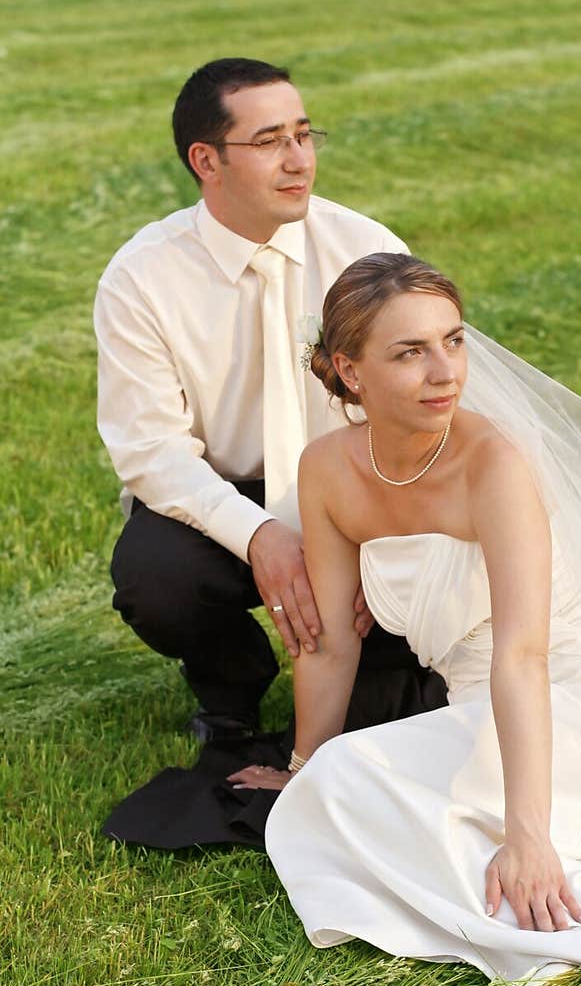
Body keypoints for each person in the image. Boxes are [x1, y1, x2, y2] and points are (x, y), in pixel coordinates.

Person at [224, 252, 581, 986]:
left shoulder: (493, 463)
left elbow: (523, 655)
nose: (445, 371)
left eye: (454, 341)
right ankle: (470, 858)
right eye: (411, 352)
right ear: (351, 369)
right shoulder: (328, 468)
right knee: (330, 787)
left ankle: (548, 879)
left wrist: (528, 834)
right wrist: (301, 768)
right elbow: (332, 642)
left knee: (412, 817)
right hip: (478, 706)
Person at [94, 58, 445, 747]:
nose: (298, 161)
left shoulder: (365, 250)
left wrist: (361, 538)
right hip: (225, 487)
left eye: (305, 136)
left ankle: (375, 652)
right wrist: (259, 536)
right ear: (206, 160)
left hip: (358, 481)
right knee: (157, 578)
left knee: (383, 721)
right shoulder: (141, 277)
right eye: (269, 142)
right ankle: (230, 684)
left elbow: (417, 412)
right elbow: (153, 451)